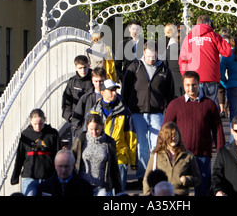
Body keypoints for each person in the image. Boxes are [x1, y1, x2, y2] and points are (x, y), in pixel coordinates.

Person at [163, 71, 225, 196]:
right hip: (180, 155)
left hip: (203, 155)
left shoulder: (210, 105)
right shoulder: (175, 105)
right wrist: (165, 152)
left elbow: (218, 131)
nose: (191, 88)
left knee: (203, 191)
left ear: (199, 84)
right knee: (178, 191)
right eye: (188, 85)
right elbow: (165, 130)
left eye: (194, 85)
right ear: (183, 85)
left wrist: (221, 154)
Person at [122, 40, 175, 183]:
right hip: (137, 112)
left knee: (156, 146)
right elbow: (125, 90)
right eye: (149, 56)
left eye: (154, 56)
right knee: (141, 146)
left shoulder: (164, 70)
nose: (152, 59)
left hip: (157, 112)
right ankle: (142, 176)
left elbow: (170, 93)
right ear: (143, 53)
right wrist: (126, 109)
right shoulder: (134, 68)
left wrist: (170, 112)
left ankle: (156, 175)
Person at [85, 79, 137, 191]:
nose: (114, 93)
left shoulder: (125, 111)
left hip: (120, 157)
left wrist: (133, 162)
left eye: (115, 90)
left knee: (119, 194)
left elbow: (131, 138)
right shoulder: (92, 113)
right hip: (99, 158)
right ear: (102, 92)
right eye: (111, 90)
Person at [178, 15, 232, 109]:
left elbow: (182, 60)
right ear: (207, 23)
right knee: (211, 106)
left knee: (195, 106)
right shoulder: (213, 36)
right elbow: (228, 52)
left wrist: (186, 76)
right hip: (211, 77)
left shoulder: (188, 38)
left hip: (194, 78)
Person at [143, 122, 201, 196]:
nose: (173, 138)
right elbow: (146, 178)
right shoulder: (157, 155)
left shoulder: (188, 155)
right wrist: (147, 194)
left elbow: (198, 179)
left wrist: (186, 180)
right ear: (165, 137)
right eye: (170, 136)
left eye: (175, 135)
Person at [11, 109, 60, 196]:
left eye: (40, 123)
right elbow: (20, 157)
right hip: (30, 177)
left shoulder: (53, 134)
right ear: (30, 121)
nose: (38, 126)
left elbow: (58, 155)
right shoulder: (25, 134)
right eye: (35, 124)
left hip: (48, 177)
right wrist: (15, 177)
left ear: (44, 120)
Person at [72, 114, 122, 196]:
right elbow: (71, 159)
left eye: (97, 129)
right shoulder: (81, 140)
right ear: (87, 127)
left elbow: (114, 168)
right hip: (83, 186)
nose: (94, 132)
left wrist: (119, 191)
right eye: (91, 129)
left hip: (102, 187)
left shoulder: (109, 142)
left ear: (102, 126)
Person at [71, 67, 107, 139]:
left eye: (101, 81)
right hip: (90, 134)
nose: (98, 84)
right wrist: (80, 131)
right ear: (92, 81)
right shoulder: (86, 97)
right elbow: (76, 117)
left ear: (105, 80)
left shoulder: (113, 97)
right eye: (96, 81)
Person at [62, 55, 93, 128]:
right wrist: (70, 117)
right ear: (76, 68)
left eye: (85, 67)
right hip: (77, 121)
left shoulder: (95, 80)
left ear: (89, 66)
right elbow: (66, 101)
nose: (83, 70)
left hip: (93, 121)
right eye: (80, 68)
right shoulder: (73, 82)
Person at [115, 19, 144, 83]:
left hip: (143, 76)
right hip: (127, 75)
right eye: (133, 29)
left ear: (140, 30)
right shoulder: (123, 44)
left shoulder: (146, 43)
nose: (135, 31)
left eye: (137, 29)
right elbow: (118, 63)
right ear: (129, 29)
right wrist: (121, 77)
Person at [165, 24, 185, 98]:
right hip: (186, 80)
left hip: (172, 80)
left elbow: (164, 67)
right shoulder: (188, 52)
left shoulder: (167, 52)